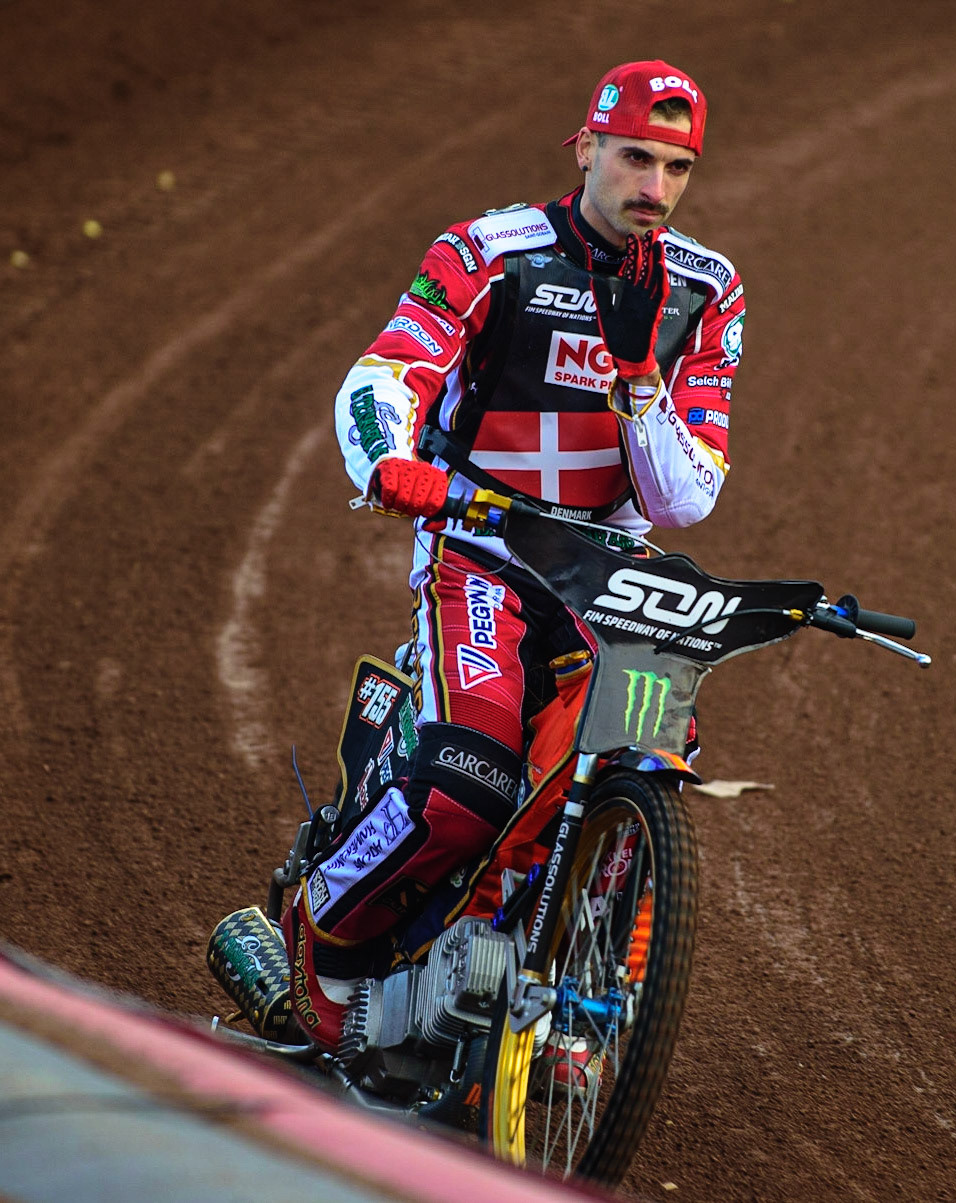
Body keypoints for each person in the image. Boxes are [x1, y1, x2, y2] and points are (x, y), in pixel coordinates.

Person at [290, 60, 746, 1051]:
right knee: (466, 786)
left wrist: (637, 383)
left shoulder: (707, 290)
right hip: (484, 547)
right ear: (585, 150)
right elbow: (386, 373)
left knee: (645, 746)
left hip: (613, 564)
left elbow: (685, 496)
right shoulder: (488, 252)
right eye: (634, 158)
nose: (653, 190)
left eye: (676, 168)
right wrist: (387, 462)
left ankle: (563, 989)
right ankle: (322, 928)